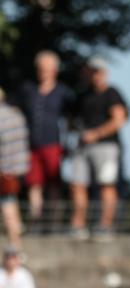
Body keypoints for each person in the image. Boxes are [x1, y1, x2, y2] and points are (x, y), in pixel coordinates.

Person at [68, 57, 128, 242]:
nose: (95, 75)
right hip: (83, 147)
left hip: (107, 146)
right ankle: (78, 225)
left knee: (107, 185)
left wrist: (96, 134)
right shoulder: (83, 95)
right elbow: (72, 120)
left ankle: (105, 225)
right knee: (77, 183)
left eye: (98, 71)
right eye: (92, 71)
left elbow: (119, 119)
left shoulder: (112, 93)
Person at [16, 50, 74, 227]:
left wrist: (69, 141)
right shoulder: (28, 90)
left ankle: (53, 222)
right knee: (34, 184)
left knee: (53, 184)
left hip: (53, 144)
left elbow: (71, 118)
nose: (43, 72)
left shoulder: (64, 93)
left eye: (47, 69)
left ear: (54, 69)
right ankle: (36, 221)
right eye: (41, 69)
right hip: (31, 145)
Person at [0, 88, 30, 250]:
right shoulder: (16, 115)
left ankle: (15, 246)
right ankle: (16, 242)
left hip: (4, 170)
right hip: (17, 168)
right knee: (11, 204)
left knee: (8, 207)